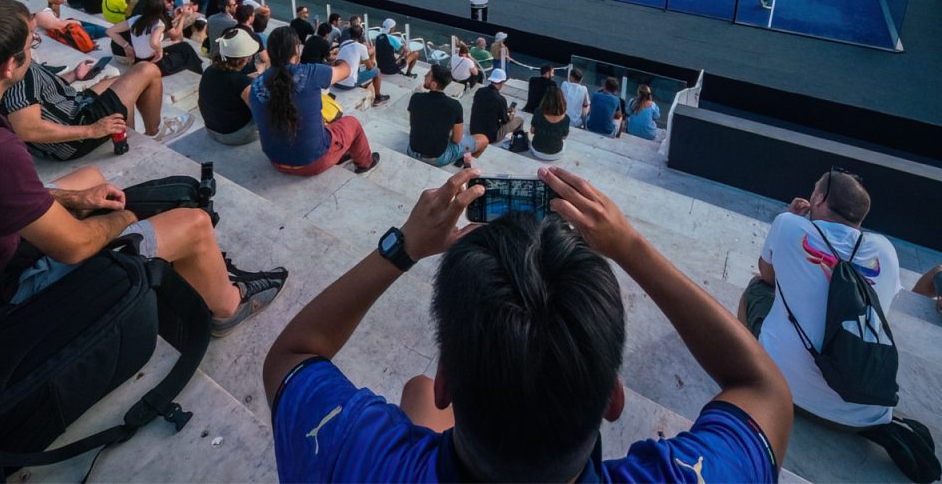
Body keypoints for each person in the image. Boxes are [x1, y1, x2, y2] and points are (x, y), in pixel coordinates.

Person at [262, 165, 794, 482]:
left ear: (450, 384)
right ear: (613, 398)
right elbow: (763, 387)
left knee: (416, 395)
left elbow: (293, 355)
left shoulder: (357, 456)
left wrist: (402, 248)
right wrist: (629, 246)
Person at [0, 0, 284, 340]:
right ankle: (226, 307)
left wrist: (73, 199)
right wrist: (130, 217)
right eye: (30, 45)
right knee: (192, 223)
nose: (33, 49)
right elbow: (74, 247)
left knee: (90, 180)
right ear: (9, 66)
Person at [737, 170, 936, 482]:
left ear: (818, 199)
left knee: (757, 288)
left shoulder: (789, 224)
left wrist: (793, 218)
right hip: (861, 416)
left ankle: (741, 374)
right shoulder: (885, 250)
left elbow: (768, 275)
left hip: (778, 390)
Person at [0, 50, 187, 160]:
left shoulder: (14, 63)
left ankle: (129, 133)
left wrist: (74, 75)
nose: (35, 38)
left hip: (73, 107)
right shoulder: (17, 75)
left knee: (120, 81)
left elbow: (40, 91)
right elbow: (28, 129)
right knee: (147, 69)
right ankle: (154, 133)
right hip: (77, 131)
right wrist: (91, 130)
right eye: (31, 40)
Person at [250, 26, 379, 176]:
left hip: (276, 161)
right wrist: (343, 57)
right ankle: (365, 163)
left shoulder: (256, 84)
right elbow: (346, 70)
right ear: (296, 51)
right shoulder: (311, 72)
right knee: (352, 123)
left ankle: (339, 152)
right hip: (313, 162)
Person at [407, 64, 487, 167]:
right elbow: (456, 140)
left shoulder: (415, 97)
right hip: (437, 159)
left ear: (434, 84)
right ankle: (465, 161)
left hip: (412, 150)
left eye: (428, 75)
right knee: (483, 139)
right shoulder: (454, 106)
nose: (425, 76)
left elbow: (414, 122)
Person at [108, 0, 205, 77]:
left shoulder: (136, 19)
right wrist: (160, 51)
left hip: (138, 60)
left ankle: (200, 68)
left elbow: (110, 31)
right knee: (186, 53)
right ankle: (201, 72)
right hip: (153, 63)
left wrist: (126, 45)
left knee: (183, 46)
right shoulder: (159, 24)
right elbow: (154, 42)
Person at [199, 27, 262, 146]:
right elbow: (261, 114)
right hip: (234, 136)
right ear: (244, 58)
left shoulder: (209, 71)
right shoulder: (241, 82)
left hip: (211, 129)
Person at [334, 24, 390, 106]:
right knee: (377, 71)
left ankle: (361, 84)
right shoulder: (361, 47)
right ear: (361, 36)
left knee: (355, 65)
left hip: (336, 81)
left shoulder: (343, 44)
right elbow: (370, 67)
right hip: (347, 85)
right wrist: (372, 62)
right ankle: (378, 98)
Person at [469, 69, 523, 147]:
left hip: (474, 131)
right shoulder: (500, 99)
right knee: (519, 120)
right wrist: (512, 113)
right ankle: (517, 142)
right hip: (490, 137)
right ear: (502, 82)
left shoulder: (479, 91)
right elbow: (505, 121)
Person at [528, 82, 572, 161]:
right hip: (556, 154)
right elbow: (564, 137)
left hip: (537, 151)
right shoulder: (566, 119)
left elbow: (532, 131)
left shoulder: (538, 112)